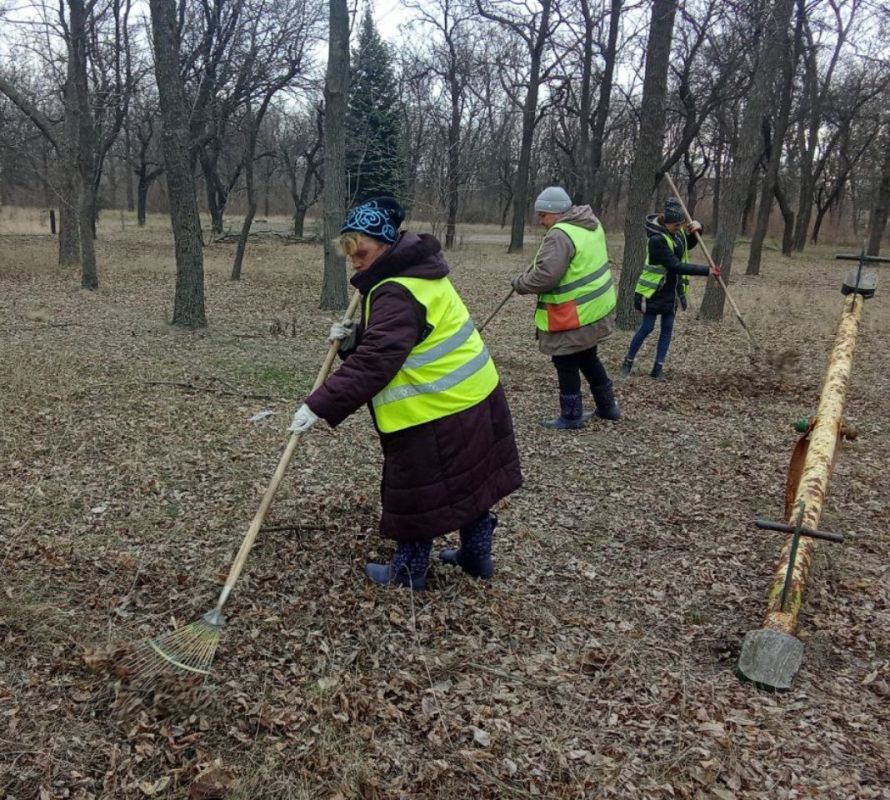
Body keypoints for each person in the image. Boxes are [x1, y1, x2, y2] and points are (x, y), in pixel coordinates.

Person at [288, 196, 523, 590]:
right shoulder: (420, 272)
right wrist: (351, 343)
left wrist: (319, 404)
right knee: (471, 483)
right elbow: (403, 341)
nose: (355, 262)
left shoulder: (396, 290)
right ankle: (476, 556)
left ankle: (408, 572)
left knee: (417, 494)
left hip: (434, 411)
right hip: (475, 396)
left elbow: (379, 360)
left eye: (360, 252)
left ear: (382, 245)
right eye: (349, 254)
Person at [511, 186, 620, 430]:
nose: (540, 221)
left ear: (556, 212)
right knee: (588, 357)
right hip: (595, 309)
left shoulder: (560, 234)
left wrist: (520, 283)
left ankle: (571, 416)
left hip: (572, 313)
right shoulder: (590, 224)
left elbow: (546, 278)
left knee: (566, 361)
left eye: (542, 215)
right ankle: (608, 407)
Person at [621, 197, 721, 379]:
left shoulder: (677, 233)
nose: (679, 228)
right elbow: (675, 265)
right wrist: (707, 271)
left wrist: (698, 230)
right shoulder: (656, 240)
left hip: (671, 291)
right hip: (653, 292)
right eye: (676, 225)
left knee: (667, 328)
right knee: (647, 328)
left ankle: (658, 368)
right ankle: (627, 362)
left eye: (681, 225)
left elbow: (685, 245)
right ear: (666, 222)